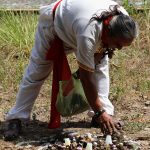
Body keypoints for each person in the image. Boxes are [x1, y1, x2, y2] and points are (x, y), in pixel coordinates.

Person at [4, 0, 138, 141]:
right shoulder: (88, 32)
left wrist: (104, 52)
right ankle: (16, 118)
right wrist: (100, 111)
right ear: (109, 33)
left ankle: (104, 116)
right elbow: (86, 78)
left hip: (77, 24)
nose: (119, 48)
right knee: (37, 71)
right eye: (118, 44)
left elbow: (103, 53)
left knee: (101, 68)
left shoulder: (123, 19)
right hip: (55, 25)